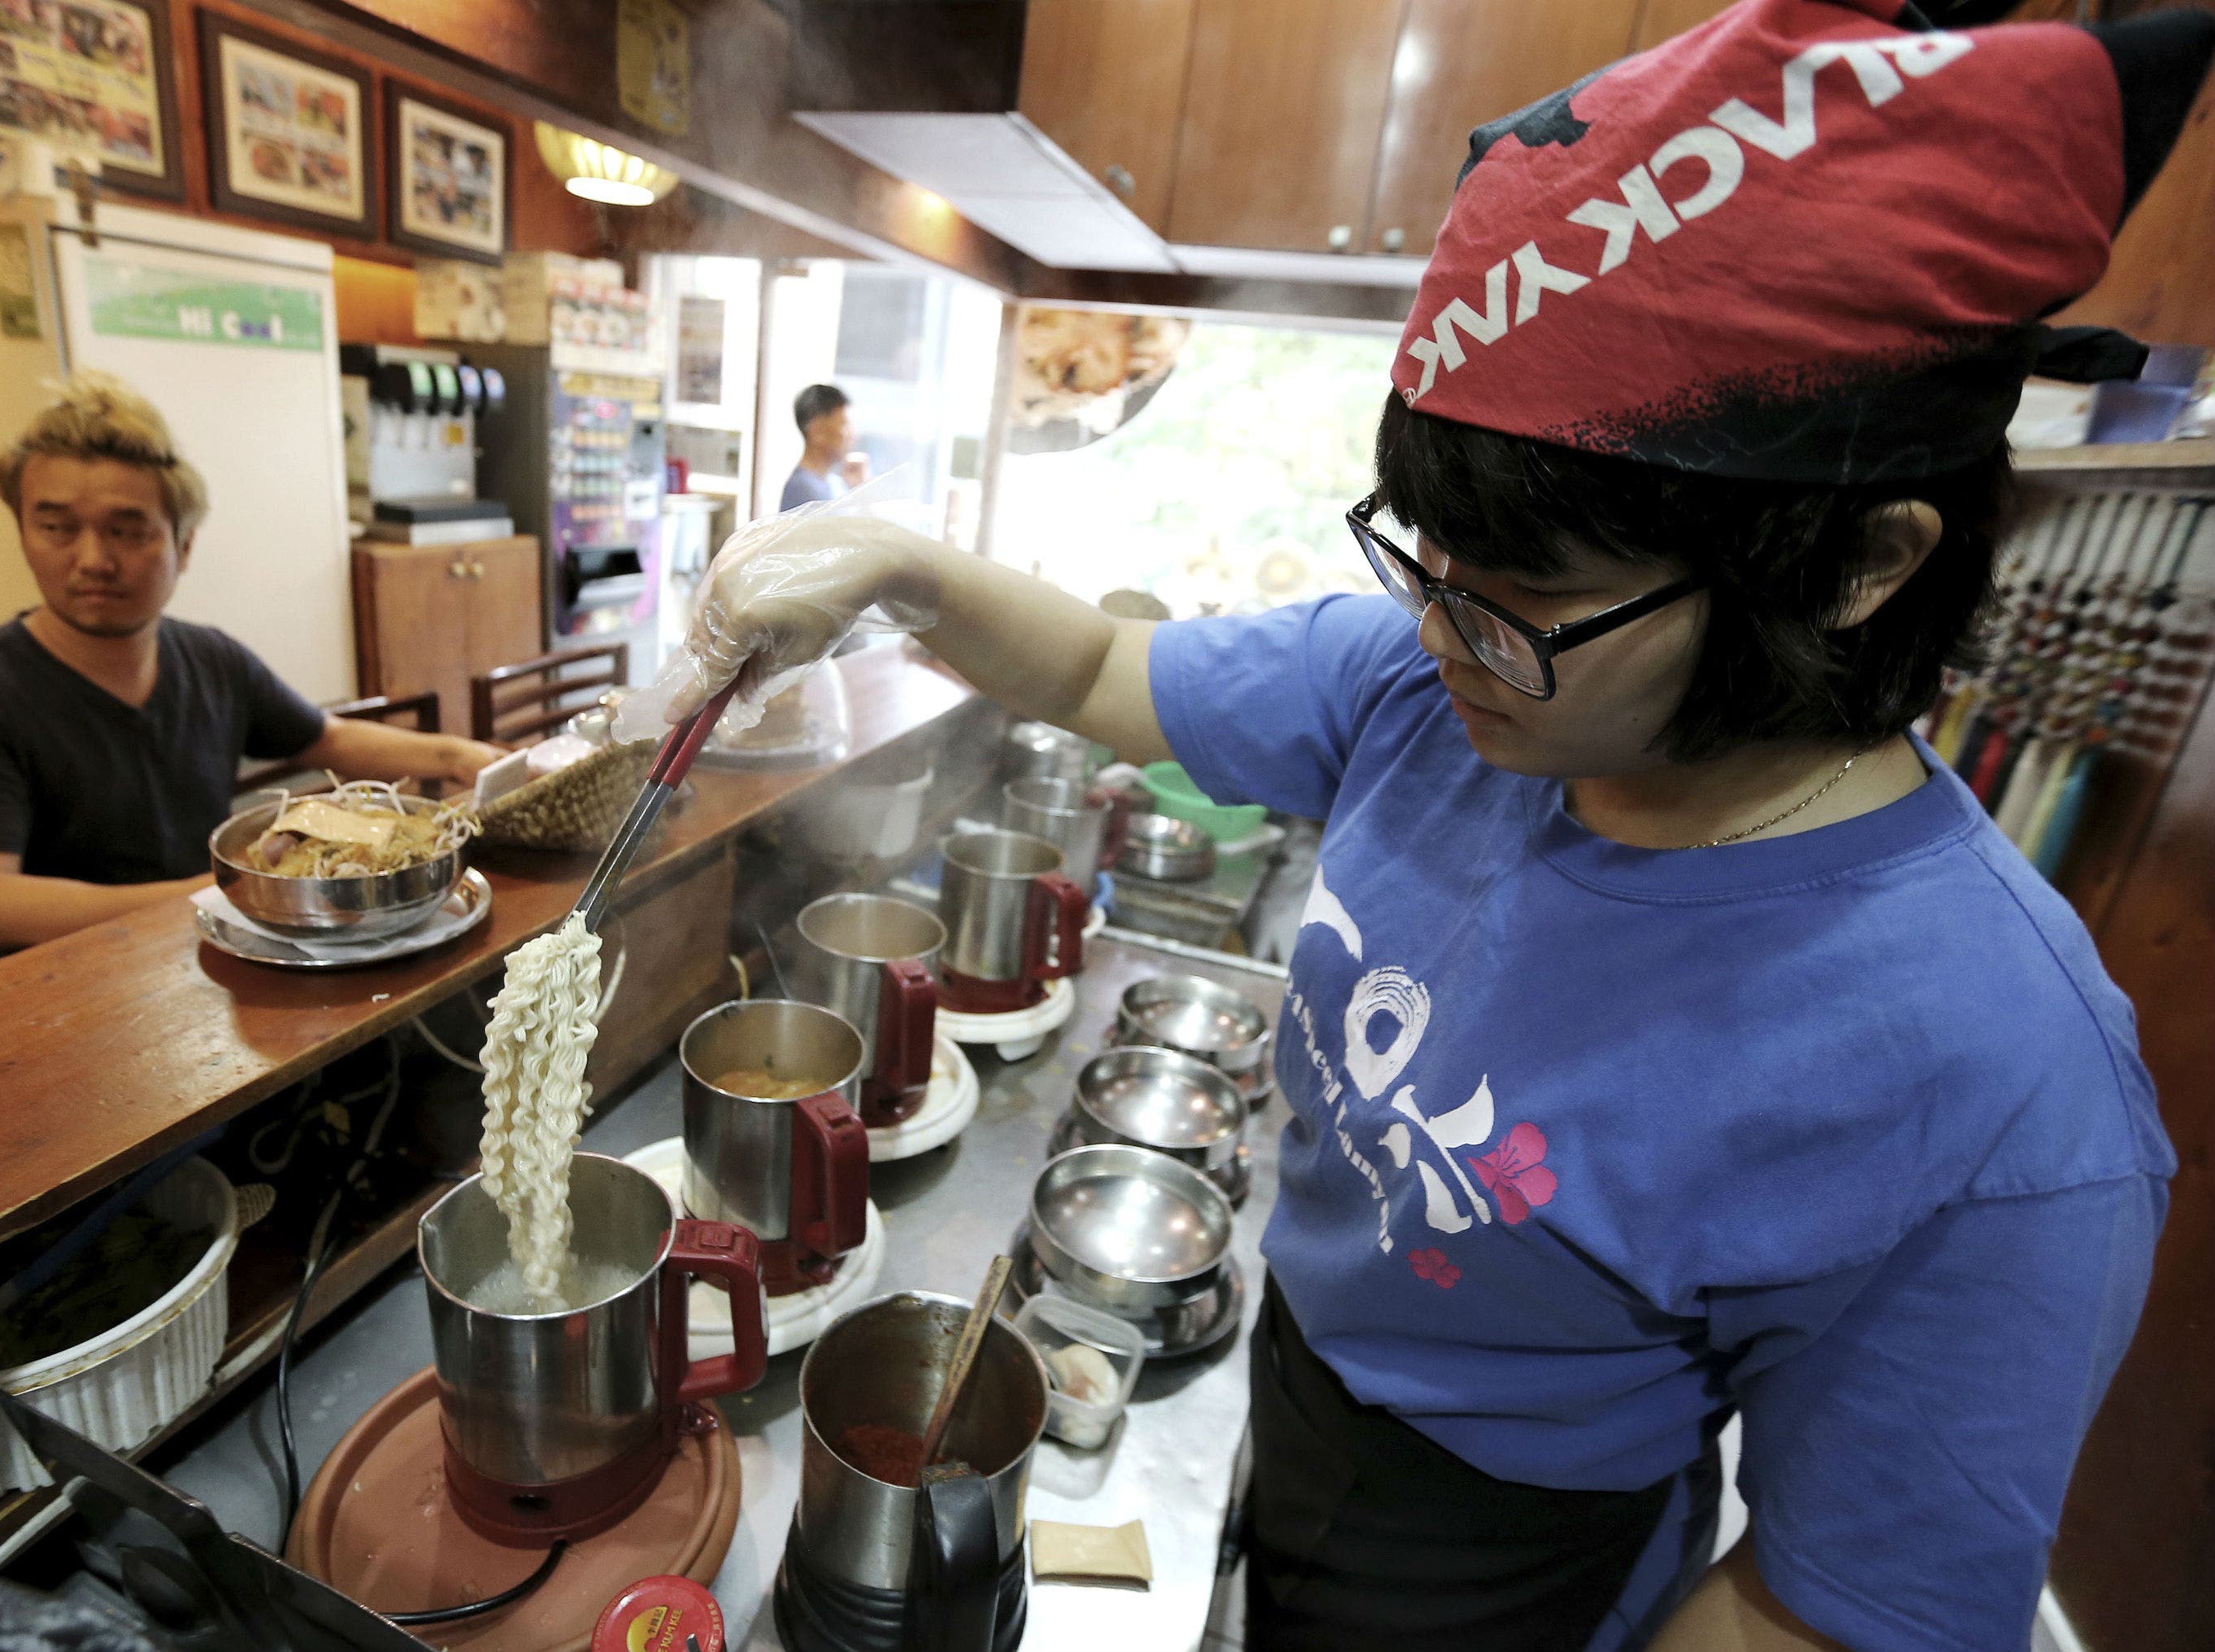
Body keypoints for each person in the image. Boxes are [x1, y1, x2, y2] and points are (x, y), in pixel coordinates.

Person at [622, 4, 2215, 1650]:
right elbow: (1105, 660)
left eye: (1528, 593)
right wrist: (893, 563)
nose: (1445, 631)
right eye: (1426, 555)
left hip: (1513, 1559)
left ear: (1859, 562)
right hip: (1295, 1381)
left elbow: (1834, 1609)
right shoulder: (1432, 684)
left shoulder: (1998, 1089)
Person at [0, 374, 503, 956]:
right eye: (56, 527)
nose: (91, 560)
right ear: (24, 532)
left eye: (127, 532)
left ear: (183, 546)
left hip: (199, 953)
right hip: (47, 993)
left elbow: (328, 738)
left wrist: (460, 758)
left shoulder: (208, 658)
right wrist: (238, 892)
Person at [778, 383, 868, 512]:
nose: (853, 435)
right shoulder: (803, 489)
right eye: (845, 425)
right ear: (817, 430)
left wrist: (859, 488)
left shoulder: (835, 483)